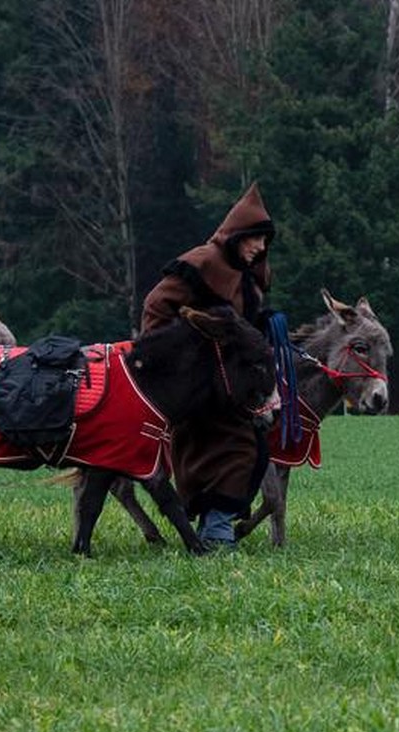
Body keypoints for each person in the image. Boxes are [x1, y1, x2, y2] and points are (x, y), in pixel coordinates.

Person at [141, 183, 276, 551]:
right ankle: (215, 532)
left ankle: (214, 526)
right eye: (254, 239)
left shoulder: (248, 275)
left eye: (264, 241)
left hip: (232, 386)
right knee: (231, 450)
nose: (260, 248)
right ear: (235, 236)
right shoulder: (201, 262)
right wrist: (177, 354)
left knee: (250, 450)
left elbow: (241, 326)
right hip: (195, 386)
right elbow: (155, 308)